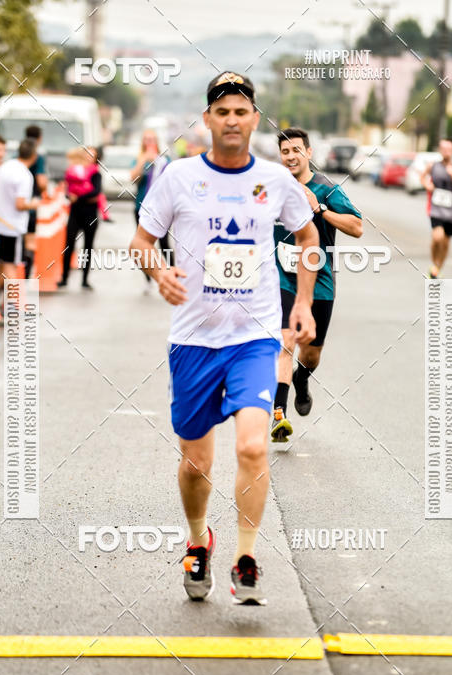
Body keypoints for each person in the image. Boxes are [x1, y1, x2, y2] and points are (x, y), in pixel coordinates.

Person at [130, 72, 320, 605]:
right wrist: (157, 271)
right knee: (196, 463)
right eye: (223, 111)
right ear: (208, 119)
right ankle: (198, 541)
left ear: (255, 119)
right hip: (193, 339)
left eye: (241, 111)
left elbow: (308, 237)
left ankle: (247, 557)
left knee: (255, 445)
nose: (232, 120)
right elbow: (142, 241)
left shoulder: (276, 181)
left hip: (255, 336)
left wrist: (301, 301)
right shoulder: (178, 177)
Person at [271, 128, 363, 443]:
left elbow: (357, 227)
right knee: (285, 341)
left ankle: (302, 378)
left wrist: (320, 210)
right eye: (285, 151)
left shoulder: (326, 189)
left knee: (311, 355)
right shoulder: (272, 188)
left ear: (309, 153)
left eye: (296, 150)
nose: (291, 156)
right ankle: (278, 414)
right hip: (282, 278)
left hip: (320, 281)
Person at [0, 139, 40, 296]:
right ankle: (10, 306)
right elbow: (20, 204)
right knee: (11, 266)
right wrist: (33, 204)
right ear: (33, 155)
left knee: (0, 265)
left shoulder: (4, 167)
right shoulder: (25, 175)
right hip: (13, 226)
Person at [421, 139, 452, 279]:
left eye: (449, 149)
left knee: (446, 243)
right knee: (437, 237)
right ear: (440, 150)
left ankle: (437, 268)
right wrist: (427, 185)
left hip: (451, 212)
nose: (446, 152)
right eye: (443, 149)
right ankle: (434, 263)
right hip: (435, 209)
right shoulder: (433, 166)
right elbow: (422, 177)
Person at [131, 130, 171, 284]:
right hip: (141, 204)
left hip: (162, 208)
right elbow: (133, 178)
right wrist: (143, 161)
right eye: (146, 139)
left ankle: (171, 272)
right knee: (142, 242)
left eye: (152, 139)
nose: (149, 142)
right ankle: (148, 275)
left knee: (164, 242)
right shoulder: (139, 159)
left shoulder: (164, 159)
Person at [59, 145, 101, 289]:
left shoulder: (96, 173)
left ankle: (85, 279)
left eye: (92, 155)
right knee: (69, 244)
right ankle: (64, 278)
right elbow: (67, 190)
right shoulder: (74, 170)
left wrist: (78, 197)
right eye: (87, 154)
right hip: (75, 213)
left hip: (90, 215)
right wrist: (71, 196)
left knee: (87, 247)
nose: (88, 157)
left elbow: (96, 193)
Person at [23, 125, 48, 279]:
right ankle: (25, 273)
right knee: (30, 241)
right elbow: (41, 182)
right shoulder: (38, 156)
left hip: (15, 207)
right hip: (31, 202)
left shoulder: (18, 153)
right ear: (39, 138)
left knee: (20, 239)